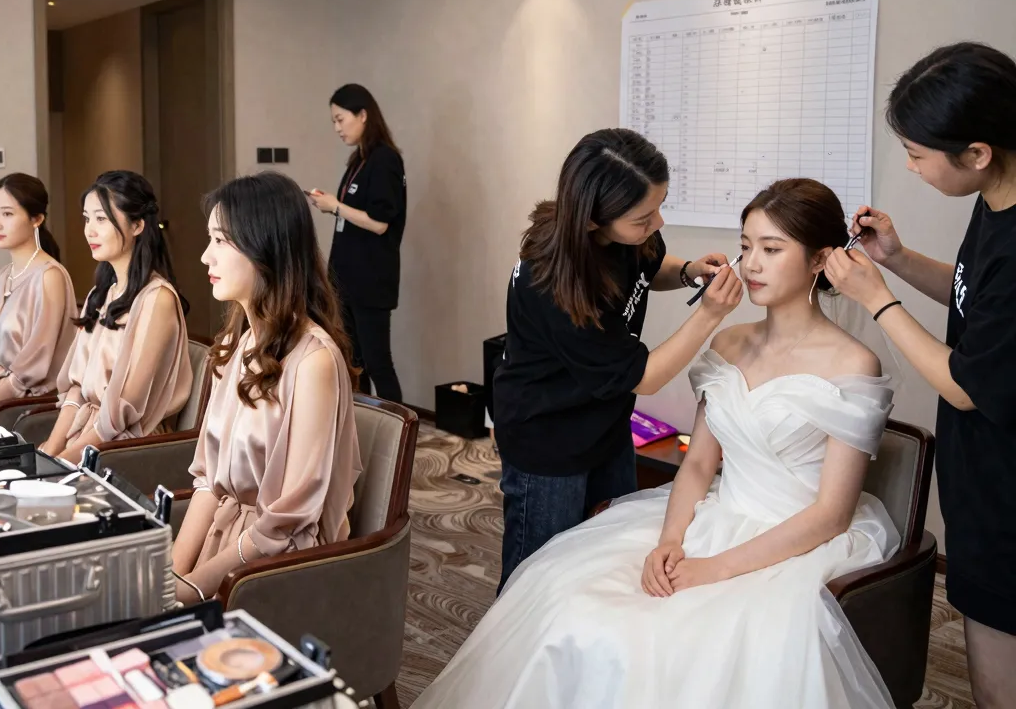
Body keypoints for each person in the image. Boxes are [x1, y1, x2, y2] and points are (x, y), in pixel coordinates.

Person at [414, 178, 898, 709]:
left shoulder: (853, 363)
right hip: (707, 511)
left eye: (771, 249)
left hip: (794, 542)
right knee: (568, 599)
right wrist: (670, 541)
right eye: (744, 246)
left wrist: (711, 568)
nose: (750, 265)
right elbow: (697, 467)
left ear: (819, 260)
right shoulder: (730, 343)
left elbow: (830, 515)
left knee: (677, 647)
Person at [824, 42, 1016, 708]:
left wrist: (877, 297)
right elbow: (974, 298)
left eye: (917, 154)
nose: (911, 167)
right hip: (981, 467)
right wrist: (898, 259)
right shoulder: (997, 194)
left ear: (978, 151)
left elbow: (966, 379)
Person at [491, 128, 742, 590]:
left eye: (661, 206)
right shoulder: (553, 284)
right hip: (547, 437)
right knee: (538, 574)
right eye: (644, 218)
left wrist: (688, 273)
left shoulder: (626, 237)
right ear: (591, 220)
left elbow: (648, 270)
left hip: (604, 423)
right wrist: (710, 316)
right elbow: (643, 377)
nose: (658, 223)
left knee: (606, 555)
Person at [172, 172, 362, 604]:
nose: (205, 257)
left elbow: (287, 522)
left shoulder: (314, 361)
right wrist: (174, 574)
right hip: (225, 547)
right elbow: (207, 482)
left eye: (220, 241)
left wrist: (198, 586)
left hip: (276, 569)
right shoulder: (236, 344)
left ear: (265, 248)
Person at [40, 171, 193, 463]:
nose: (89, 230)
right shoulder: (102, 293)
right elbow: (76, 388)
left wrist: (67, 459)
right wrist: (51, 449)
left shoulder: (157, 299)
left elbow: (124, 409)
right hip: (86, 437)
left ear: (137, 225)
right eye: (87, 218)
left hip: (125, 449)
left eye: (101, 219)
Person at [307, 83, 406, 402]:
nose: (337, 128)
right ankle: (362, 435)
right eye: (333, 121)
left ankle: (398, 440)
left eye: (340, 119)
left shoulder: (385, 160)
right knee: (354, 364)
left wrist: (335, 206)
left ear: (363, 115)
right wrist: (332, 205)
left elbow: (380, 222)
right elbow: (354, 214)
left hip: (371, 280)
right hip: (347, 280)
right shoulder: (358, 161)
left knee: (378, 364)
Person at [0, 173, 78, 412]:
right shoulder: (4, 275)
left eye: (7, 214)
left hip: (30, 407)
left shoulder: (49, 276)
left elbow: (33, 368)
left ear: (36, 219)